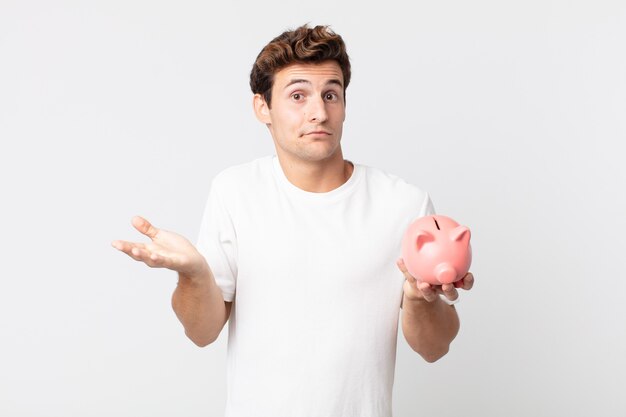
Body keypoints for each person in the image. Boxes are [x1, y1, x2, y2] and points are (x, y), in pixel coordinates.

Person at [112, 24, 474, 417]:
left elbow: (434, 348)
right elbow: (202, 332)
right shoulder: (236, 192)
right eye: (298, 96)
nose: (319, 112)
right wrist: (194, 274)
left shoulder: (404, 204)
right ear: (262, 107)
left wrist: (421, 299)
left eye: (331, 94)